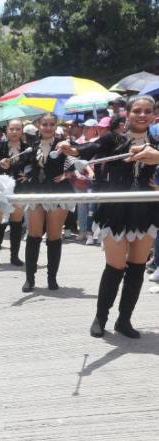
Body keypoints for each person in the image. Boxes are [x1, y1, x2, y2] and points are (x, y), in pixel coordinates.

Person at [59, 96, 159, 338]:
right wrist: (69, 148)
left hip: (145, 209)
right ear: (127, 113)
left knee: (137, 267)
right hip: (114, 208)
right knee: (115, 266)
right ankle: (101, 317)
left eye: (147, 111)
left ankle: (124, 320)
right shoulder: (112, 139)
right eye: (137, 111)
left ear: (154, 115)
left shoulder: (156, 142)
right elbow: (86, 149)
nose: (142, 115)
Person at [21, 113, 74, 292]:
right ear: (38, 125)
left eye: (52, 124)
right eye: (45, 124)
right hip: (36, 193)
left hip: (58, 193)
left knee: (54, 236)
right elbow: (23, 164)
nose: (48, 127)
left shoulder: (64, 144)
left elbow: (78, 163)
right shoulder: (31, 145)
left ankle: (52, 279)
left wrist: (68, 174)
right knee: (33, 235)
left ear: (56, 125)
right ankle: (30, 278)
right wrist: (15, 168)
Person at [0, 118, 30, 266]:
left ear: (22, 131)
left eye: (18, 129)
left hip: (20, 189)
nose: (14, 132)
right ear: (7, 130)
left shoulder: (28, 148)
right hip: (3, 190)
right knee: (0, 221)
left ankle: (14, 256)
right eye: (11, 129)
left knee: (16, 222)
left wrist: (16, 170)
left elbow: (31, 166)